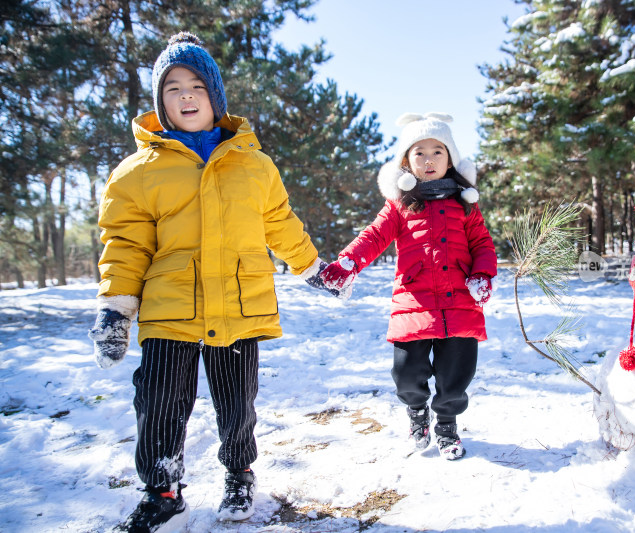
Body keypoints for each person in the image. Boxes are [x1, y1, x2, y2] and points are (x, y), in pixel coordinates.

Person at [88, 32, 336, 532]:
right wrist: (116, 308)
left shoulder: (255, 165)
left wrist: (311, 266)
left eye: (196, 85)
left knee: (237, 400)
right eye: (172, 88)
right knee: (157, 400)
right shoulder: (136, 173)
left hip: (239, 305)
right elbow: (126, 244)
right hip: (169, 307)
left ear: (215, 97)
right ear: (160, 103)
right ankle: (161, 488)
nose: (185, 96)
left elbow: (280, 224)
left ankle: (239, 473)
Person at [320, 113, 497, 460]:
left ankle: (446, 425)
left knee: (456, 375)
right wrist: (349, 261)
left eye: (437, 152)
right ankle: (417, 412)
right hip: (413, 302)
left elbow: (483, 245)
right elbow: (374, 236)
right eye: (420, 153)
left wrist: (482, 275)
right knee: (406, 374)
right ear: (406, 161)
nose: (429, 160)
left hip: (460, 303)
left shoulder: (465, 206)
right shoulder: (400, 205)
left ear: (450, 160)